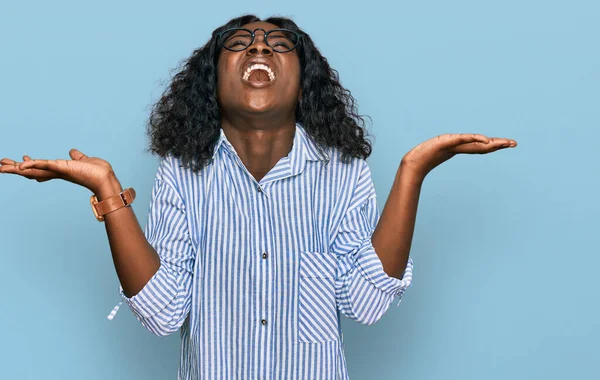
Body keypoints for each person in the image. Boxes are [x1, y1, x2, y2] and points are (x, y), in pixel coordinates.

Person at [0, 14, 516, 380]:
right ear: (213, 81)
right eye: (240, 41)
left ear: (303, 81)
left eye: (278, 43)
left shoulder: (343, 172)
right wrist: (108, 191)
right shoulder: (181, 174)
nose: (260, 48)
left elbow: (366, 302)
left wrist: (412, 172)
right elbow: (163, 313)